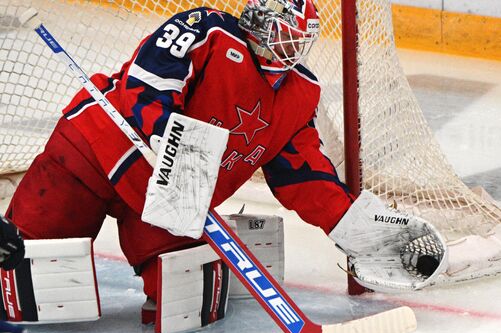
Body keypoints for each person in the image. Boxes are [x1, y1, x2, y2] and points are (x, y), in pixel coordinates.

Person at [2, 0, 354, 307]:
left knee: (192, 296)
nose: (292, 49)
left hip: (170, 197)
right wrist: (167, 136)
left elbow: (304, 175)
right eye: (286, 36)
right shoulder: (208, 30)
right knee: (24, 272)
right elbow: (149, 80)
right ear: (260, 26)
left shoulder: (300, 93)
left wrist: (356, 228)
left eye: (298, 40)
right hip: (98, 152)